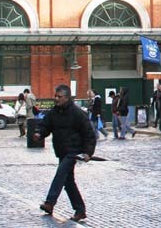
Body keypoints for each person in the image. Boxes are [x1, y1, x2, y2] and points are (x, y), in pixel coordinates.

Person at [34, 84, 96, 222]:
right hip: (61, 151)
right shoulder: (54, 112)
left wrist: (88, 152)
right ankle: (80, 210)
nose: (56, 99)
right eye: (55, 96)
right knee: (68, 182)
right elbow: (45, 125)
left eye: (59, 96)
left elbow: (89, 134)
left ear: (67, 98)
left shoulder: (78, 113)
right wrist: (39, 133)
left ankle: (50, 203)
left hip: (73, 151)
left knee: (61, 173)